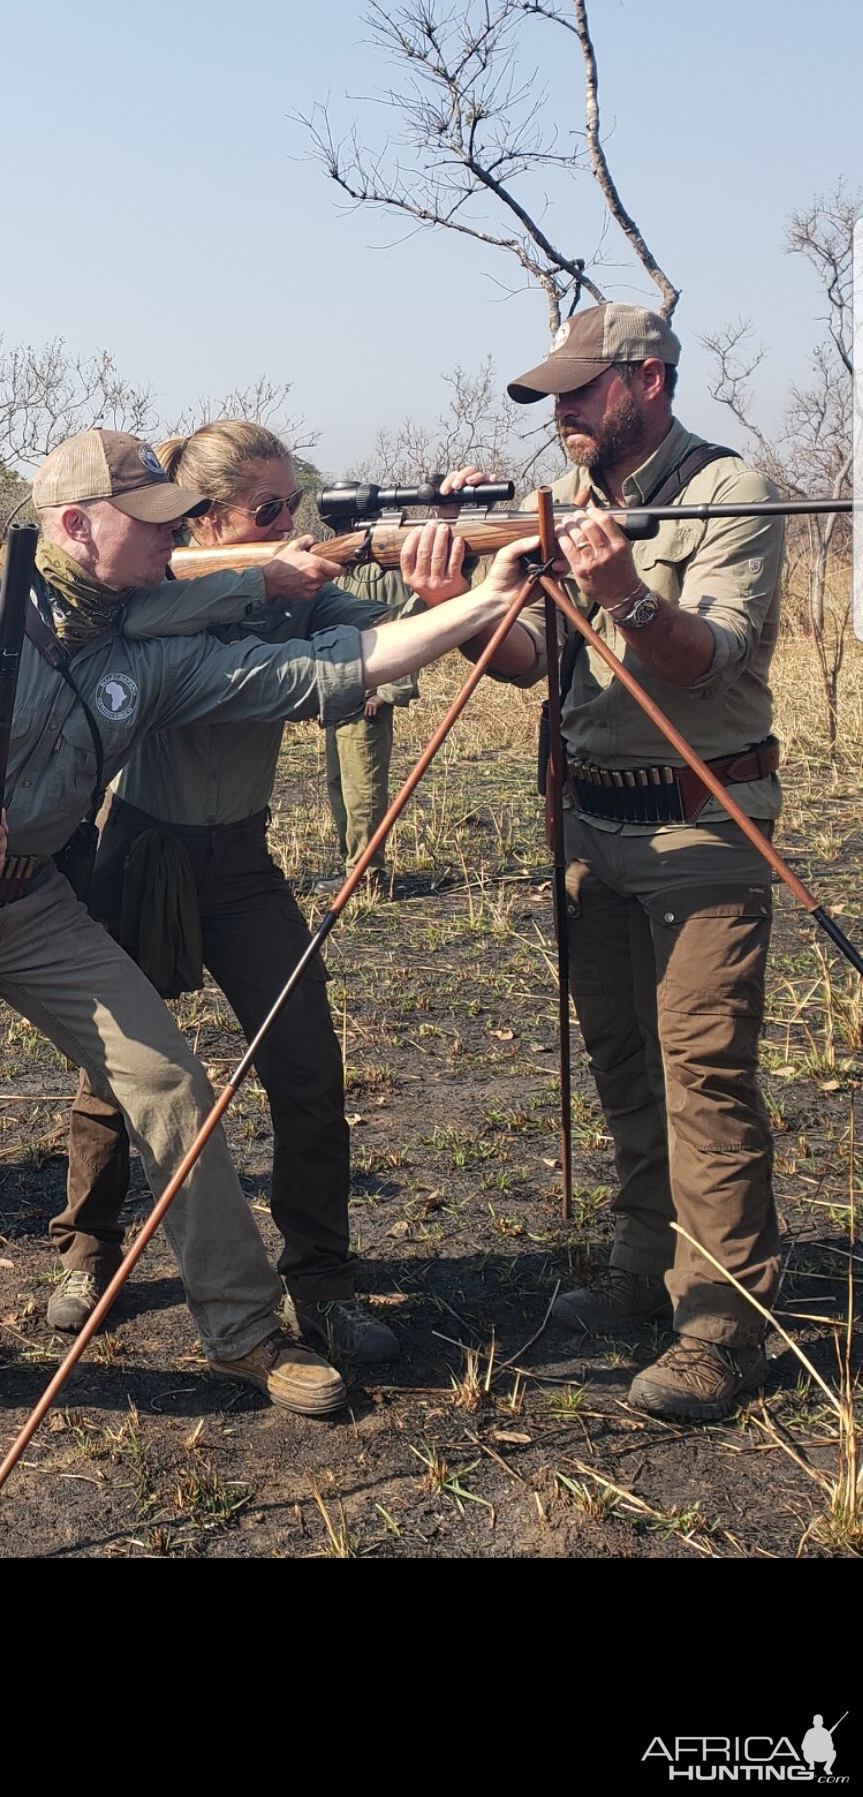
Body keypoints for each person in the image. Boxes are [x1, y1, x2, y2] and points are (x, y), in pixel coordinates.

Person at [0, 427, 523, 1440]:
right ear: (74, 526)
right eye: (145, 522)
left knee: (172, 1086)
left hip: (36, 902)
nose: (168, 536)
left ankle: (243, 1332)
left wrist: (483, 605)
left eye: (174, 518)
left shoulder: (146, 659)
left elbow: (328, 671)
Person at [408, 306, 785, 1424]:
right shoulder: (570, 507)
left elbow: (711, 659)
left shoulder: (730, 493)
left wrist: (625, 590)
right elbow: (531, 666)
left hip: (699, 825)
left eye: (581, 391)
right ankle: (641, 1263)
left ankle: (722, 1327)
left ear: (649, 382)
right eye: (554, 396)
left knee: (704, 1070)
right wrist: (455, 601)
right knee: (622, 1052)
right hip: (591, 826)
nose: (562, 412)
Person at [47, 422, 413, 1366]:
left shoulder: (293, 597)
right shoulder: (152, 589)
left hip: (243, 863)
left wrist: (443, 581)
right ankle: (87, 1249)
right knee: (112, 1072)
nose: (294, 523)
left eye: (295, 503)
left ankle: (323, 1278)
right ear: (202, 519)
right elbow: (138, 621)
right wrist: (257, 577)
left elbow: (376, 641)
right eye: (269, 509)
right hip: (143, 851)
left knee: (308, 1068)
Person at [319, 558, 419, 899]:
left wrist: (387, 691)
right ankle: (352, 867)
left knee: (364, 792)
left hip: (367, 702)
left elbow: (403, 624)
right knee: (340, 787)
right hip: (338, 694)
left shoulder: (387, 570)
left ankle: (368, 876)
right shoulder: (339, 571)